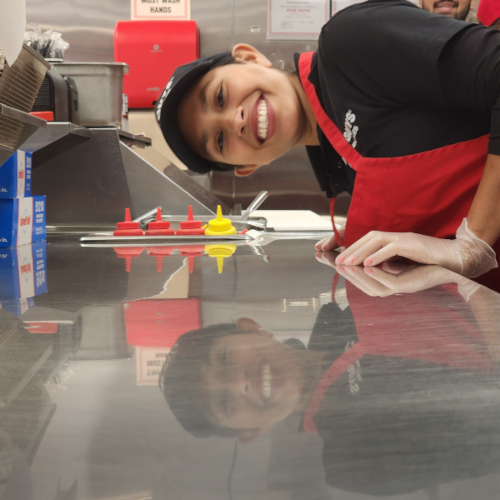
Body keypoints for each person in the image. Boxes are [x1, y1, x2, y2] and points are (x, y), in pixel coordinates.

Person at [155, 0, 500, 291]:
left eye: (219, 96)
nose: (235, 121)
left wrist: (474, 243)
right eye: (219, 140)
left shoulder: (350, 42)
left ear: (250, 57)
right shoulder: (334, 168)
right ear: (247, 167)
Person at [160, 267, 500, 495]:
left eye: (225, 360)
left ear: (251, 328)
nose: (240, 384)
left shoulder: (353, 301)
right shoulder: (353, 460)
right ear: (250, 431)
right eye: (225, 402)